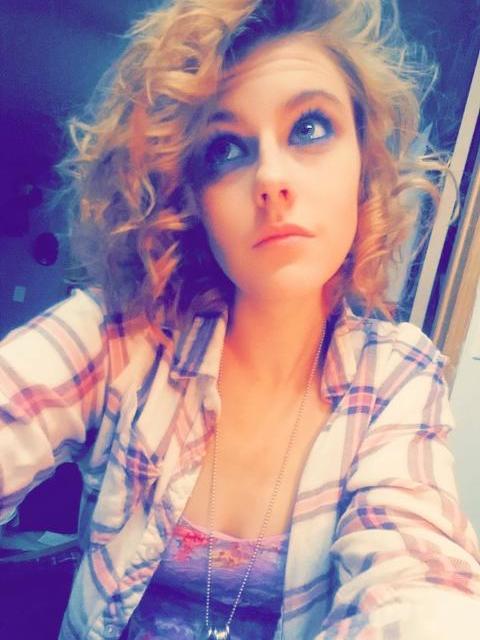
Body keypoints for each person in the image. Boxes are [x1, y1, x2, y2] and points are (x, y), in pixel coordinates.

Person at [1, 0, 479, 638]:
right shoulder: (119, 338)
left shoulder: (397, 379)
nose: (271, 178)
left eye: (310, 127)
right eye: (225, 148)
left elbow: (418, 576)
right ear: (191, 197)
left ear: (363, 164)